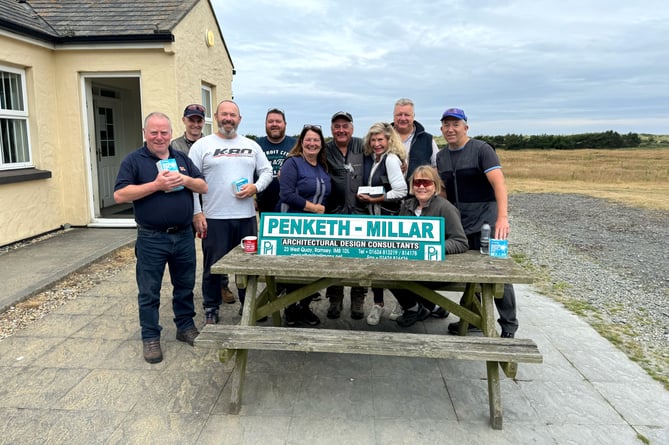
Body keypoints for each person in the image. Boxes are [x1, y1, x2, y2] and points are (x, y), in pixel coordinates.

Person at [113, 112, 208, 364]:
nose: (159, 137)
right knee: (149, 291)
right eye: (153, 132)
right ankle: (150, 337)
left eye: (164, 132)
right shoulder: (134, 160)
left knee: (185, 286)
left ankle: (185, 326)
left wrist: (185, 179)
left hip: (183, 235)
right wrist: (155, 185)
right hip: (152, 238)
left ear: (170, 133)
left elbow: (203, 186)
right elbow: (120, 195)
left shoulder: (181, 158)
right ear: (145, 133)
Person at [435, 107, 517, 338]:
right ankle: (471, 318)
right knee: (469, 274)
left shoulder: (482, 150)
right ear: (441, 129)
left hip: (488, 225)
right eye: (446, 125)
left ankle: (509, 324)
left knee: (497, 274)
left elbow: (499, 184)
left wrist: (503, 217)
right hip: (461, 225)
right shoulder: (441, 156)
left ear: (465, 127)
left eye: (456, 124)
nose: (451, 129)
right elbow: (443, 192)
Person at [189, 100, 273, 324]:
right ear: (216, 117)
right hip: (214, 218)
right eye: (224, 114)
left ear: (239, 119)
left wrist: (256, 187)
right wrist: (197, 213)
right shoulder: (202, 146)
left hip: (246, 218)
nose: (228, 118)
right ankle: (210, 307)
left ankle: (248, 306)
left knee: (247, 265)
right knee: (213, 266)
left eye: (233, 115)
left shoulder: (251, 145)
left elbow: (267, 171)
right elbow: (190, 184)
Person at [389, 166, 469, 327]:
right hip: (410, 264)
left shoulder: (445, 208)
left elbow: (460, 241)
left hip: (436, 268)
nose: (421, 187)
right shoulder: (406, 206)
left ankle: (416, 309)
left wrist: (432, 248)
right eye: (417, 182)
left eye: (426, 182)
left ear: (435, 186)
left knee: (401, 278)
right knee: (385, 272)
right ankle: (424, 307)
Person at [278, 125, 331, 326]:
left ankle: (305, 307)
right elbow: (287, 194)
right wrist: (314, 208)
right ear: (301, 142)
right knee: (294, 269)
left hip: (316, 226)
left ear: (321, 144)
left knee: (312, 269)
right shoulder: (293, 163)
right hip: (292, 222)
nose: (312, 143)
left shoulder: (322, 166)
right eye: (308, 139)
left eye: (316, 140)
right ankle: (290, 309)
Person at [358, 122, 408, 325]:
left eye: (381, 139)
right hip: (375, 217)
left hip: (388, 218)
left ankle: (401, 303)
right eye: (374, 139)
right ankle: (379, 303)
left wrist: (375, 199)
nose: (377, 143)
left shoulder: (391, 159)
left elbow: (401, 191)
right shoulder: (376, 159)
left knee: (392, 264)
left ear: (389, 140)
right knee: (377, 264)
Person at [324, 111, 368, 320]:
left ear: (352, 128)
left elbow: (385, 152)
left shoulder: (363, 145)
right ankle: (335, 298)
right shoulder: (325, 148)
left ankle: (358, 299)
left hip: (360, 211)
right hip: (334, 213)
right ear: (331, 129)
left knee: (360, 258)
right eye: (336, 126)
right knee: (334, 258)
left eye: (345, 126)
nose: (341, 130)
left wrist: (402, 161)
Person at [256, 108, 296, 215]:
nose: (274, 124)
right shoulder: (256, 145)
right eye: (270, 121)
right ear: (265, 124)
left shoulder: (296, 145)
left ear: (285, 124)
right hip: (264, 203)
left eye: (278, 121)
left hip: (291, 204)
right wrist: (252, 198)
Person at [392, 98, 439, 179]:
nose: (403, 118)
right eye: (399, 114)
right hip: (389, 190)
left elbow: (437, 166)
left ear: (413, 116)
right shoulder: (383, 139)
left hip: (419, 189)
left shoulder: (427, 140)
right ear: (393, 116)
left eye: (407, 115)